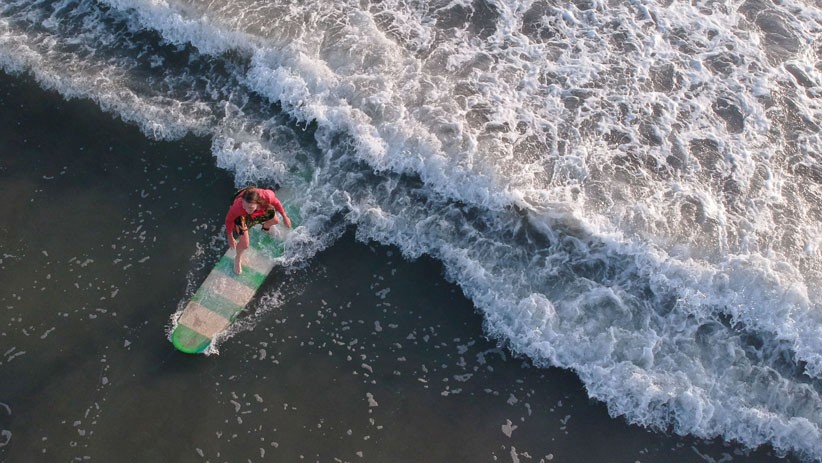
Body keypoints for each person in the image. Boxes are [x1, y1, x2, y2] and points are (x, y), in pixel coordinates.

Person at [225, 186, 292, 274]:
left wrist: (284, 216)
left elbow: (276, 202)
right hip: (241, 216)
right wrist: (230, 236)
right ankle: (237, 258)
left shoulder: (267, 196)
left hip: (257, 206)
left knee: (276, 220)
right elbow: (228, 220)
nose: (247, 210)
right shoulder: (239, 207)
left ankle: (265, 228)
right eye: (244, 206)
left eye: (249, 208)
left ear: (257, 203)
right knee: (245, 244)